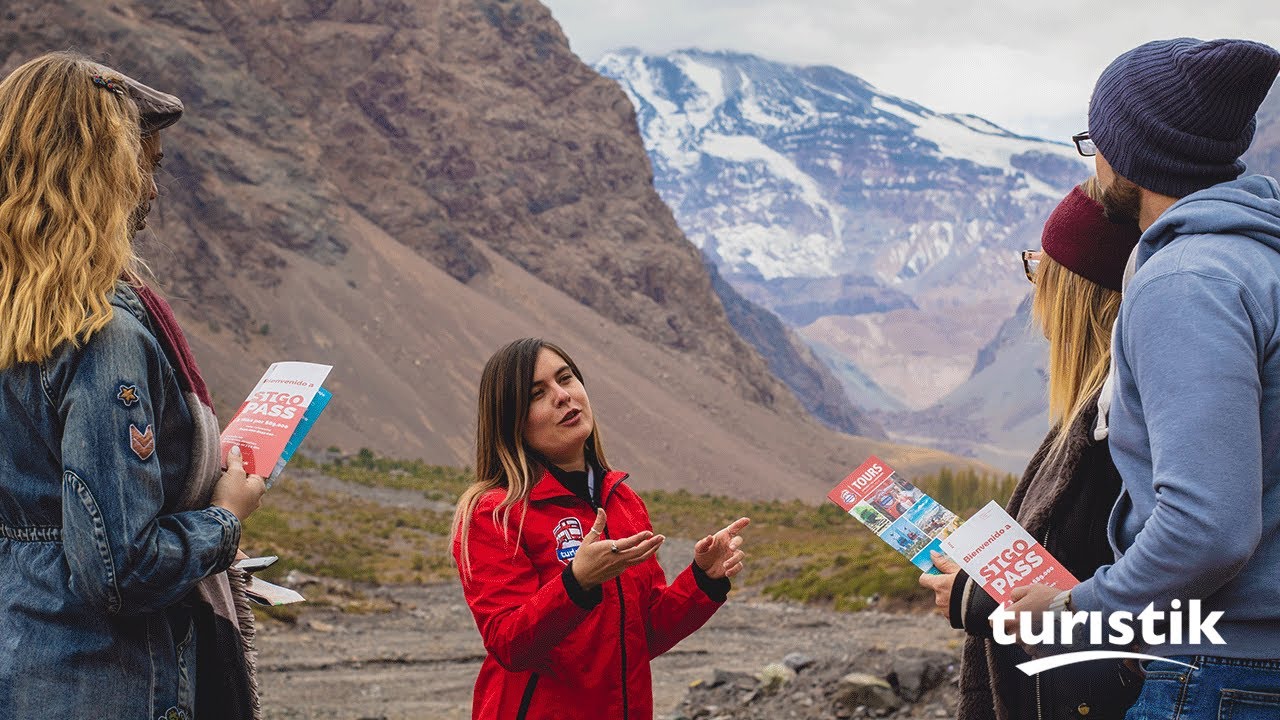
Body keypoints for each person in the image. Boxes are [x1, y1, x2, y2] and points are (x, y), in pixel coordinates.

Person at [1005, 38, 1280, 718]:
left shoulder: (1186, 282)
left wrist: (1079, 605)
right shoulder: (1259, 262)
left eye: (1096, 138)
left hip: (1219, 670)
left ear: (1131, 154)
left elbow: (1207, 526)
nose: (1094, 157)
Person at [0, 52, 266, 719]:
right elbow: (121, 568)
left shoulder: (14, 321)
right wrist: (226, 517)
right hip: (108, 684)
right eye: (144, 164)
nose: (151, 191)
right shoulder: (102, 334)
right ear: (101, 171)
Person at [919, 177, 1143, 719]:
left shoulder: (1117, 430)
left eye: (1040, 270)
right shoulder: (1091, 417)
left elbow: (1136, 605)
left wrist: (987, 602)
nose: (1034, 291)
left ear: (1074, 295)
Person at [452, 338, 750, 720]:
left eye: (566, 378)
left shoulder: (623, 501)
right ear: (512, 422)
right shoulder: (495, 513)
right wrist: (576, 583)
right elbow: (509, 644)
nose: (563, 396)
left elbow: (643, 635)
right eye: (536, 394)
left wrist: (703, 580)